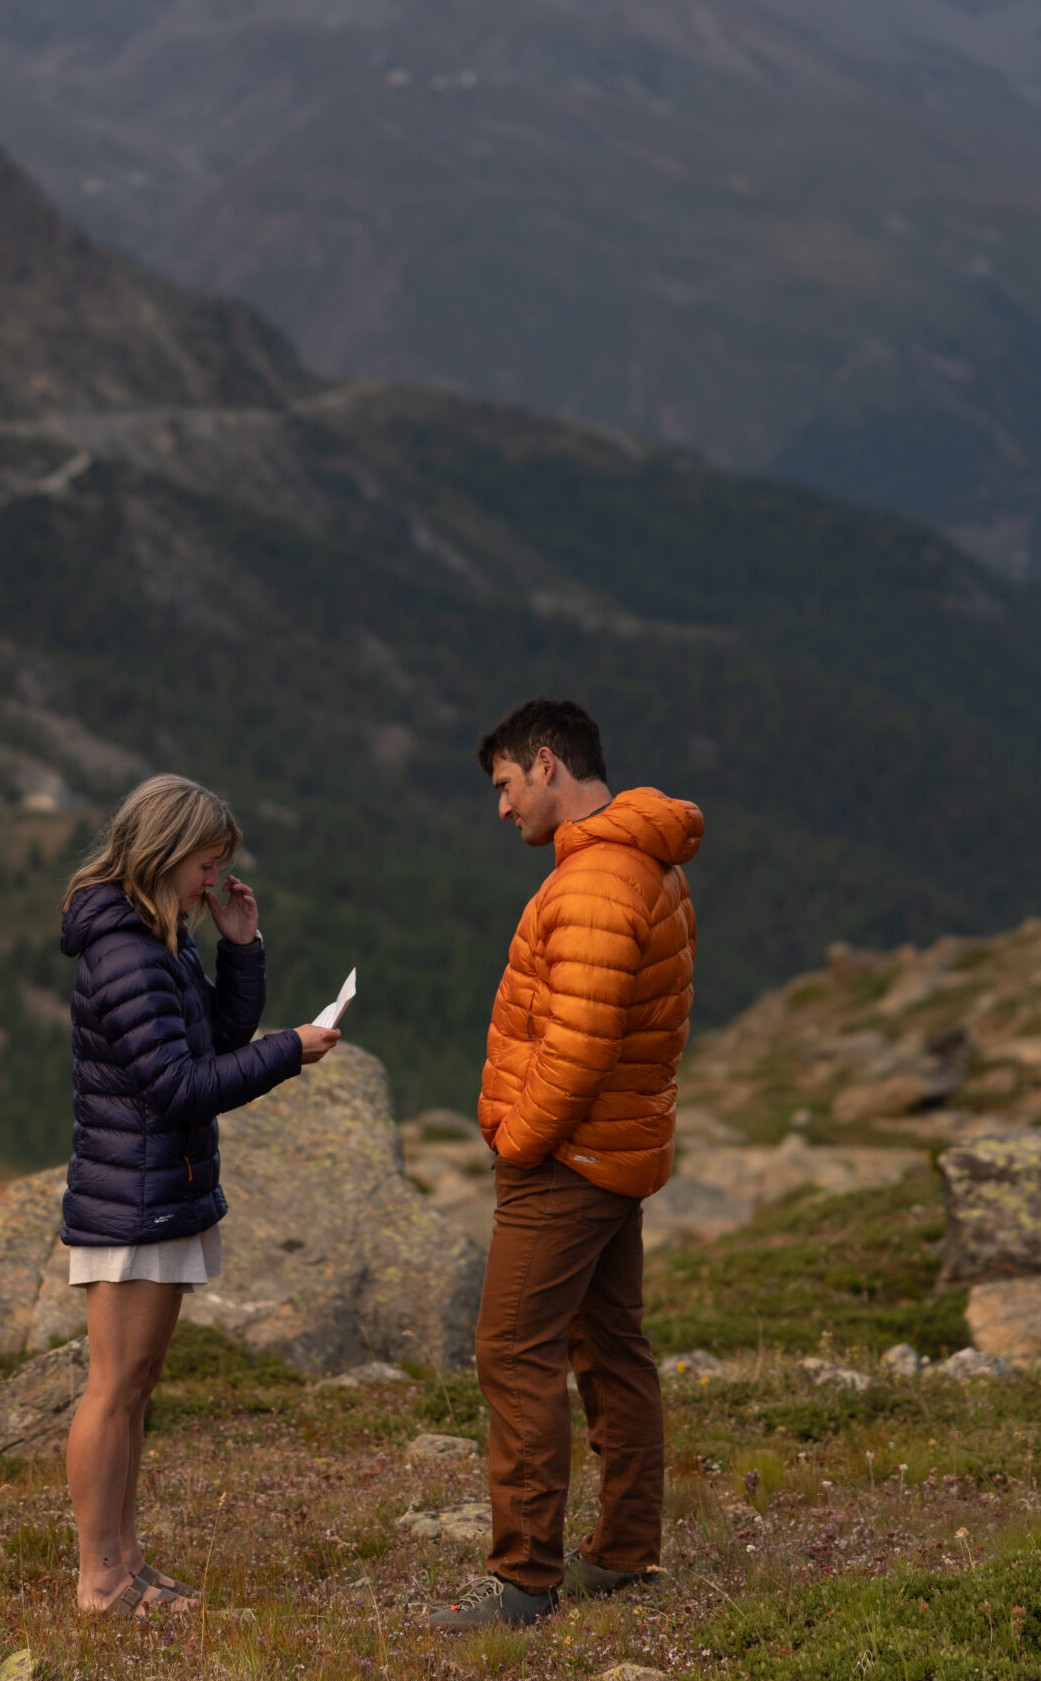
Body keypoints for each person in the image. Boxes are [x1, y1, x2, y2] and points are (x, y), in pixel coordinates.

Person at [425, 698, 703, 1632]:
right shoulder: (642, 864)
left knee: (512, 1347)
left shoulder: (591, 884)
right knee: (611, 1345)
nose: (501, 808)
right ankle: (623, 1552)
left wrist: (517, 1139)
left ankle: (524, 1579)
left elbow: (579, 1049)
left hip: (570, 1164)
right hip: (613, 1152)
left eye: (505, 787)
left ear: (546, 765)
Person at [58, 772, 341, 1618]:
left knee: (134, 1385)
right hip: (133, 1194)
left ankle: (124, 1564)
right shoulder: (124, 951)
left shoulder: (162, 938)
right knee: (115, 1386)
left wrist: (240, 947)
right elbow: (178, 1087)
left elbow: (213, 1038)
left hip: (159, 1186)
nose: (212, 881)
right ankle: (99, 1580)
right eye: (207, 865)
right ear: (168, 850)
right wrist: (290, 1049)